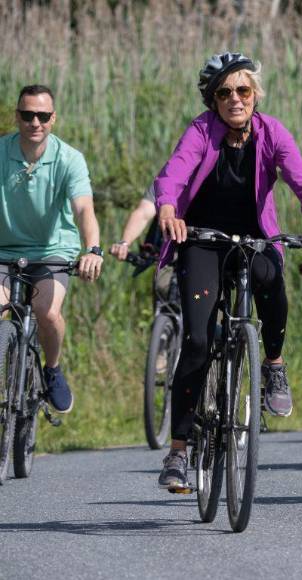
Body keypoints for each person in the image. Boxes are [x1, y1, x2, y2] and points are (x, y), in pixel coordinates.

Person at [153, 53, 302, 490]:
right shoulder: (201, 130)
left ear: (255, 94)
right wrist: (167, 210)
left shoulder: (271, 132)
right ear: (212, 99)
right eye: (224, 92)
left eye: (243, 90)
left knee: (273, 281)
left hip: (254, 238)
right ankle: (178, 452)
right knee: (197, 341)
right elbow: (175, 173)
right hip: (201, 238)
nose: (235, 99)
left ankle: (273, 362)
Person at [0, 84, 103, 414]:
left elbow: (84, 209)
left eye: (42, 116)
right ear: (17, 116)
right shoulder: (1, 152)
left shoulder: (69, 159)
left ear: (53, 119)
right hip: (4, 250)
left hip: (52, 251)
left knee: (47, 312)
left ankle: (52, 369)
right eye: (28, 115)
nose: (35, 122)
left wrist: (93, 250)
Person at [109, 184, 174, 301]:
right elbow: (143, 213)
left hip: (202, 251)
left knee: (202, 298)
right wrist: (124, 243)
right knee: (162, 287)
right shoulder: (166, 179)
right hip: (165, 254)